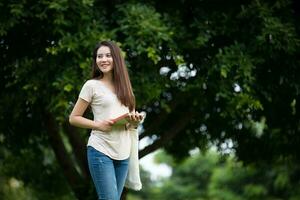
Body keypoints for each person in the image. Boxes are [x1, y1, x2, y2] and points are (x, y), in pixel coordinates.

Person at [69, 41, 143, 200]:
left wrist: (134, 123)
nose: (103, 59)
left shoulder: (127, 89)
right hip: (100, 150)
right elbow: (73, 118)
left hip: (123, 153)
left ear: (116, 58)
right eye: (99, 56)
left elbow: (129, 124)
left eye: (108, 55)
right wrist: (98, 125)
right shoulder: (91, 85)